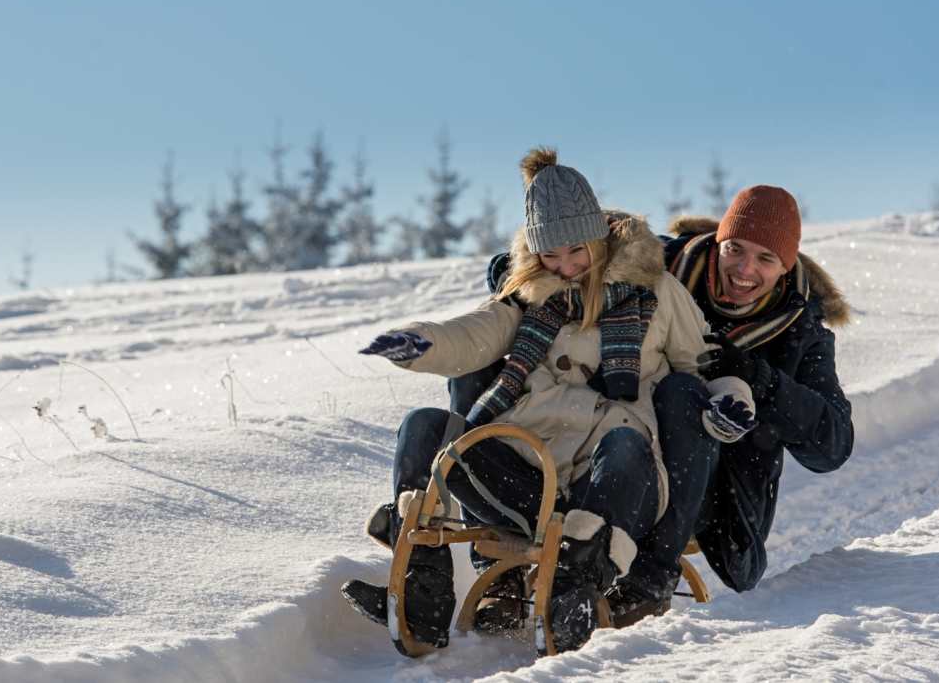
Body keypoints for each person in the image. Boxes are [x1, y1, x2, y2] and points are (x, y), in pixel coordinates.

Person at [341, 148, 745, 654]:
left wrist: (732, 398)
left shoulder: (656, 292)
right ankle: (424, 591)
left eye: (575, 250)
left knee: (623, 443)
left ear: (598, 236)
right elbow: (475, 333)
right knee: (425, 426)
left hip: (615, 481)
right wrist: (420, 341)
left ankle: (576, 589)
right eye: (549, 255)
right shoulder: (529, 293)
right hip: (530, 477)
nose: (566, 266)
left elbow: (706, 366)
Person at [453, 183, 853, 627]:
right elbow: (563, 250)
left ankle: (649, 579)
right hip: (588, 438)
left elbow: (832, 445)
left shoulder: (800, 333)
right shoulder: (659, 263)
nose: (744, 269)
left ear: (786, 265)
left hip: (695, 479)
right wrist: (529, 280)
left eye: (765, 259)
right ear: (719, 240)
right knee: (479, 361)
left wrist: (761, 380)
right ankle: (499, 562)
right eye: (735, 249)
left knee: (683, 391)